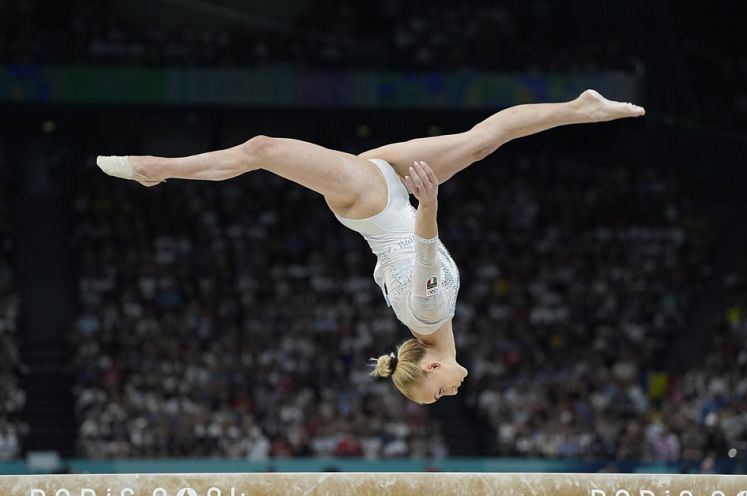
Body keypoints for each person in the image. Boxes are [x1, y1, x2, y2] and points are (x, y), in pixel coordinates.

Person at [96, 89, 644, 404]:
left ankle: (157, 170)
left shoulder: (428, 315)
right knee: (481, 141)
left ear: (430, 368)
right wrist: (418, 205)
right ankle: (580, 107)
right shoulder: (430, 321)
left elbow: (425, 249)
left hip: (380, 201)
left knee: (261, 149)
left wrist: (428, 204)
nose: (449, 395)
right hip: (393, 194)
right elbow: (414, 254)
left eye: (436, 395)